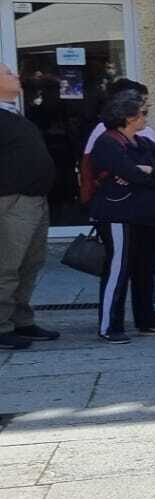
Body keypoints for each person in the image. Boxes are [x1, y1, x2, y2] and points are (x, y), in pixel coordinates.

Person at [88, 89, 155, 343]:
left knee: (145, 269)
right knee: (118, 269)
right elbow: (132, 174)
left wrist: (149, 170)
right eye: (143, 113)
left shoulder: (144, 142)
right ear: (129, 117)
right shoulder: (107, 143)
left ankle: (147, 320)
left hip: (148, 214)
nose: (146, 117)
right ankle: (110, 326)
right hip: (120, 214)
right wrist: (151, 174)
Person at [0, 61, 58, 350]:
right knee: (6, 266)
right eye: (7, 73)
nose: (15, 76)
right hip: (12, 201)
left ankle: (21, 319)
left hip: (34, 200)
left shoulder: (12, 113)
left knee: (30, 263)